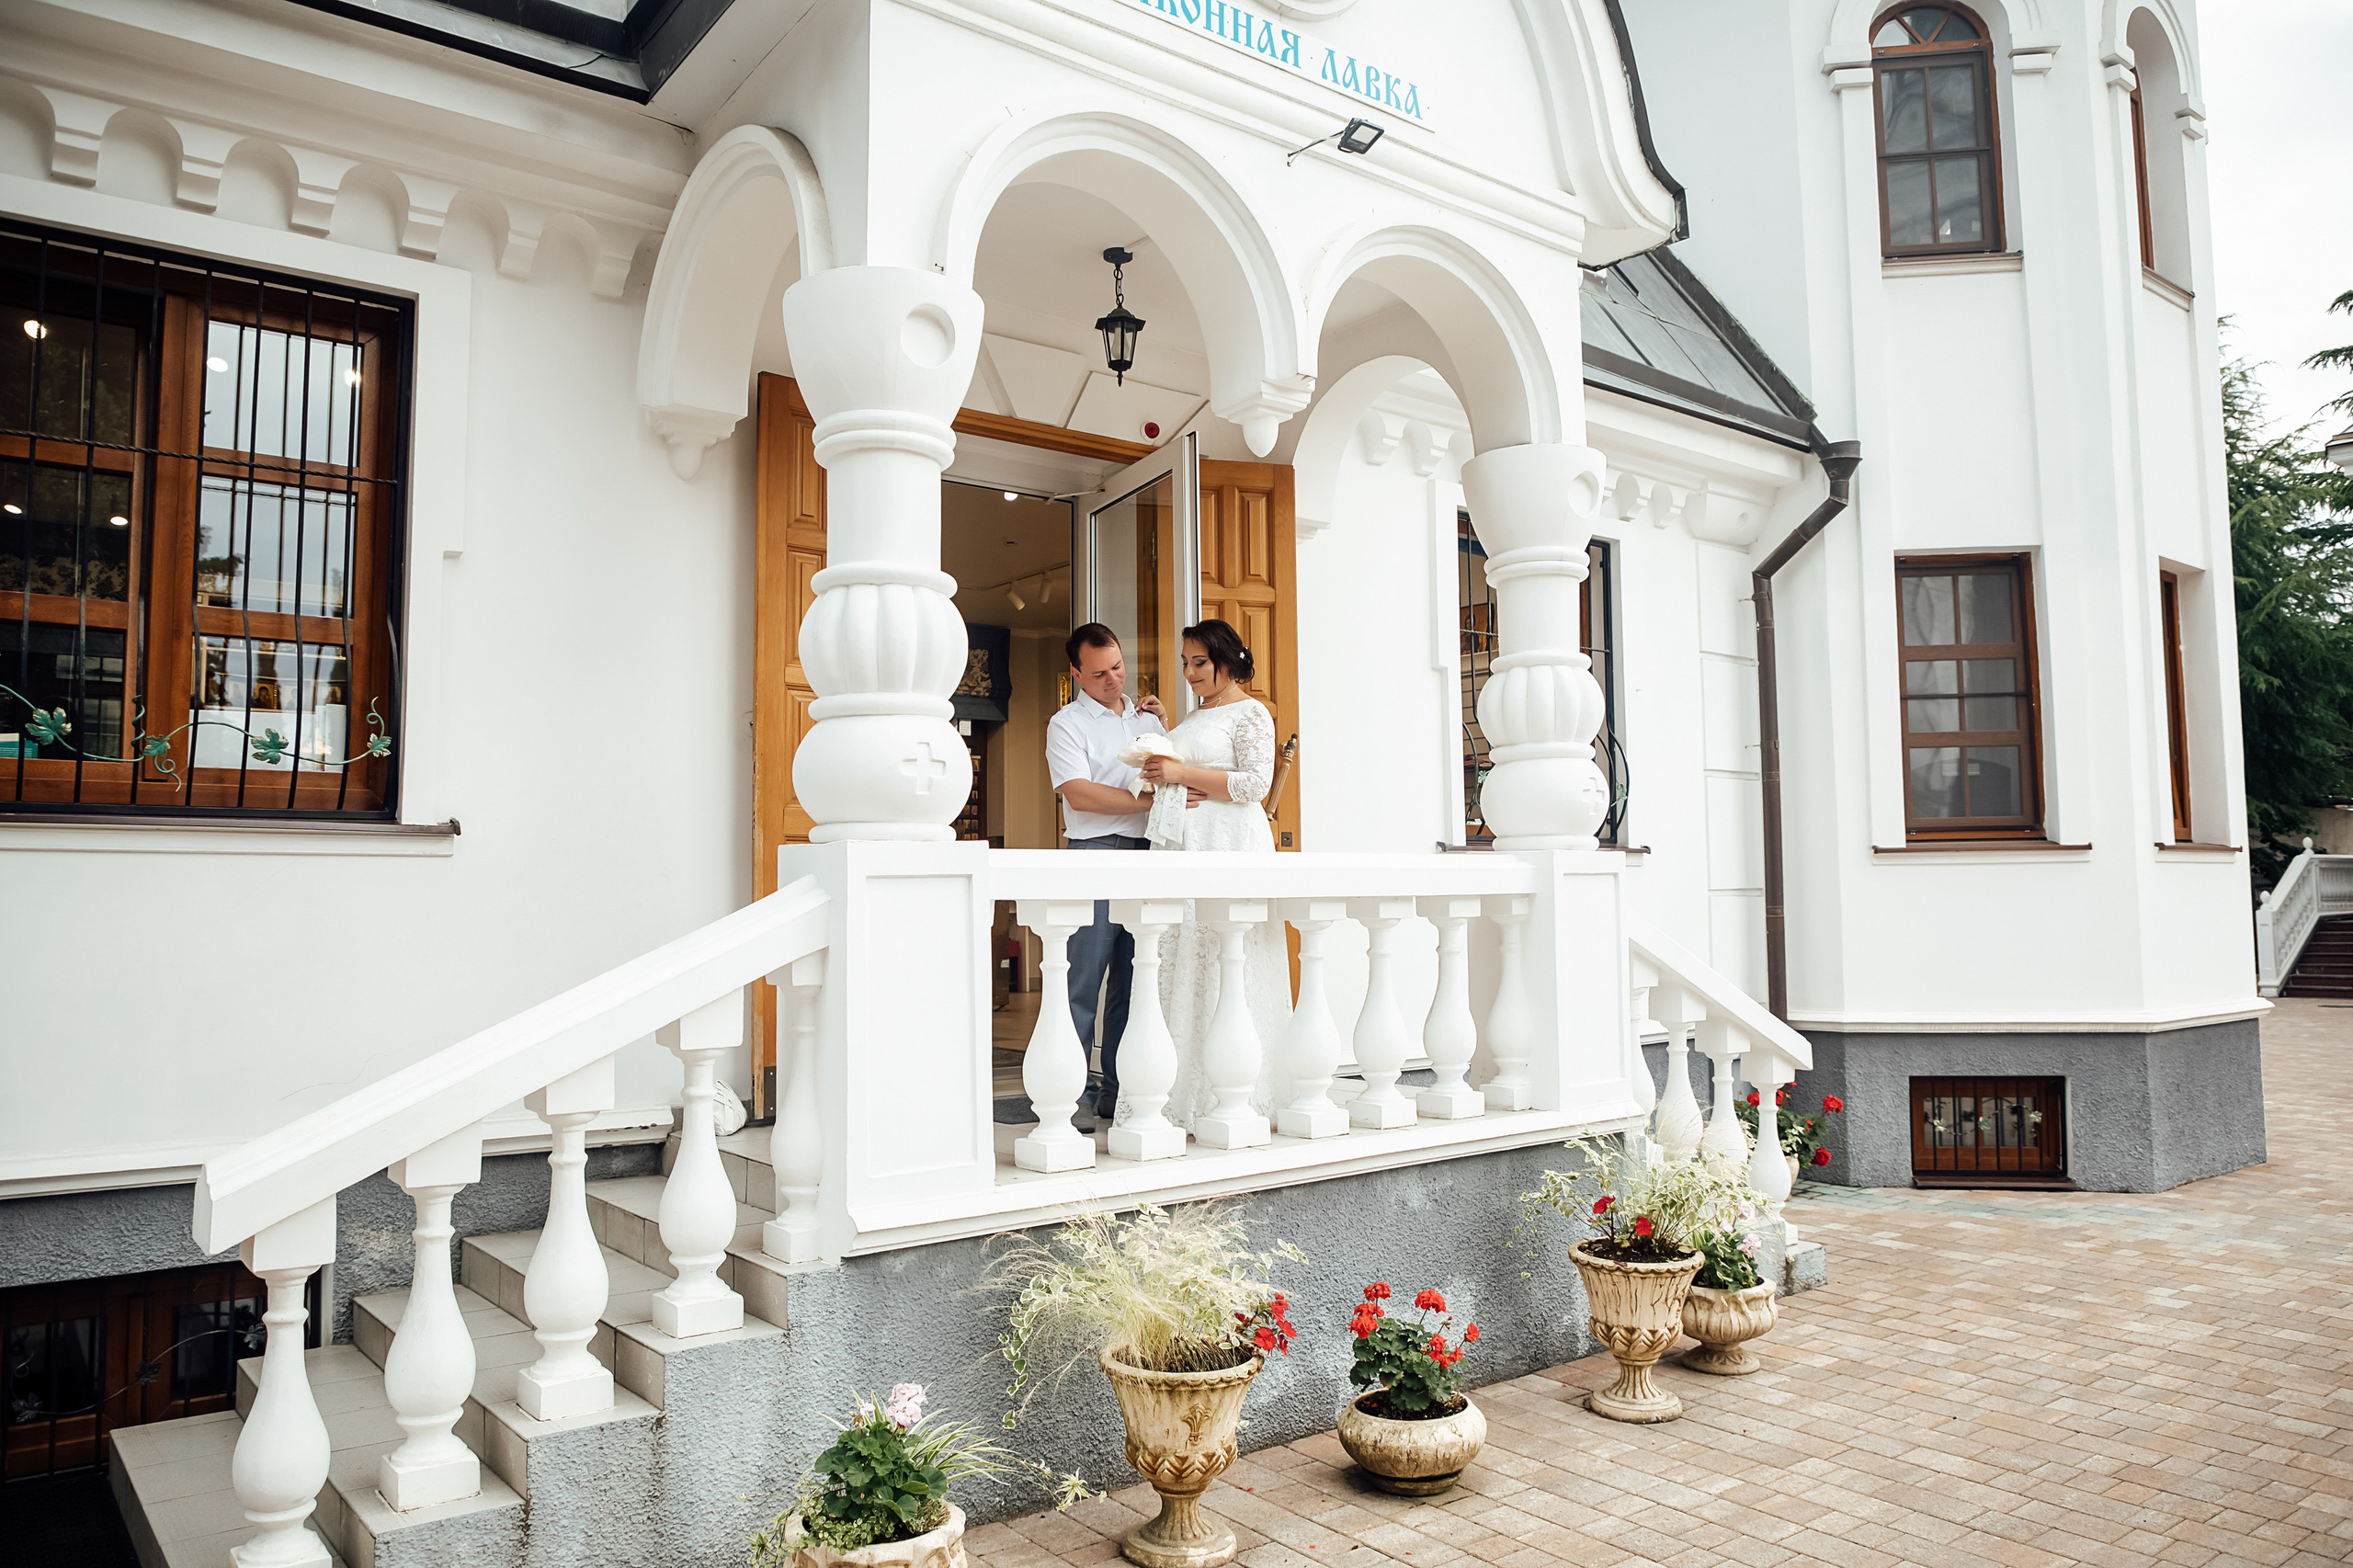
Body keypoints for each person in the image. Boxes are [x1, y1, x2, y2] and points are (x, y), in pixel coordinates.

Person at [1132, 619, 1292, 1130]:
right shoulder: (1197, 713)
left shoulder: (1252, 712)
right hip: (1186, 847)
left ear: (1227, 659)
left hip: (1228, 845)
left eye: (1199, 662)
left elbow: (1254, 785)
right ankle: (1181, 1091)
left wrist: (1179, 772)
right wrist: (1163, 741)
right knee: (1187, 960)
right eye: (1185, 663)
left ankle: (1238, 1091)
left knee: (1227, 960)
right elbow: (1198, 758)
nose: (1189, 672)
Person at [1043, 623, 1167, 1126]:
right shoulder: (1066, 724)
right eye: (1098, 674)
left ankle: (1119, 1094)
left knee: (1134, 984)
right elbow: (1079, 794)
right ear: (1076, 674)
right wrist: (1146, 803)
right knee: (1082, 981)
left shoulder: (1148, 719)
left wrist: (1165, 727)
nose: (1113, 679)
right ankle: (1069, 1100)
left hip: (1148, 855)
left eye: (1117, 667)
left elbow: (1169, 777)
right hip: (1094, 854)